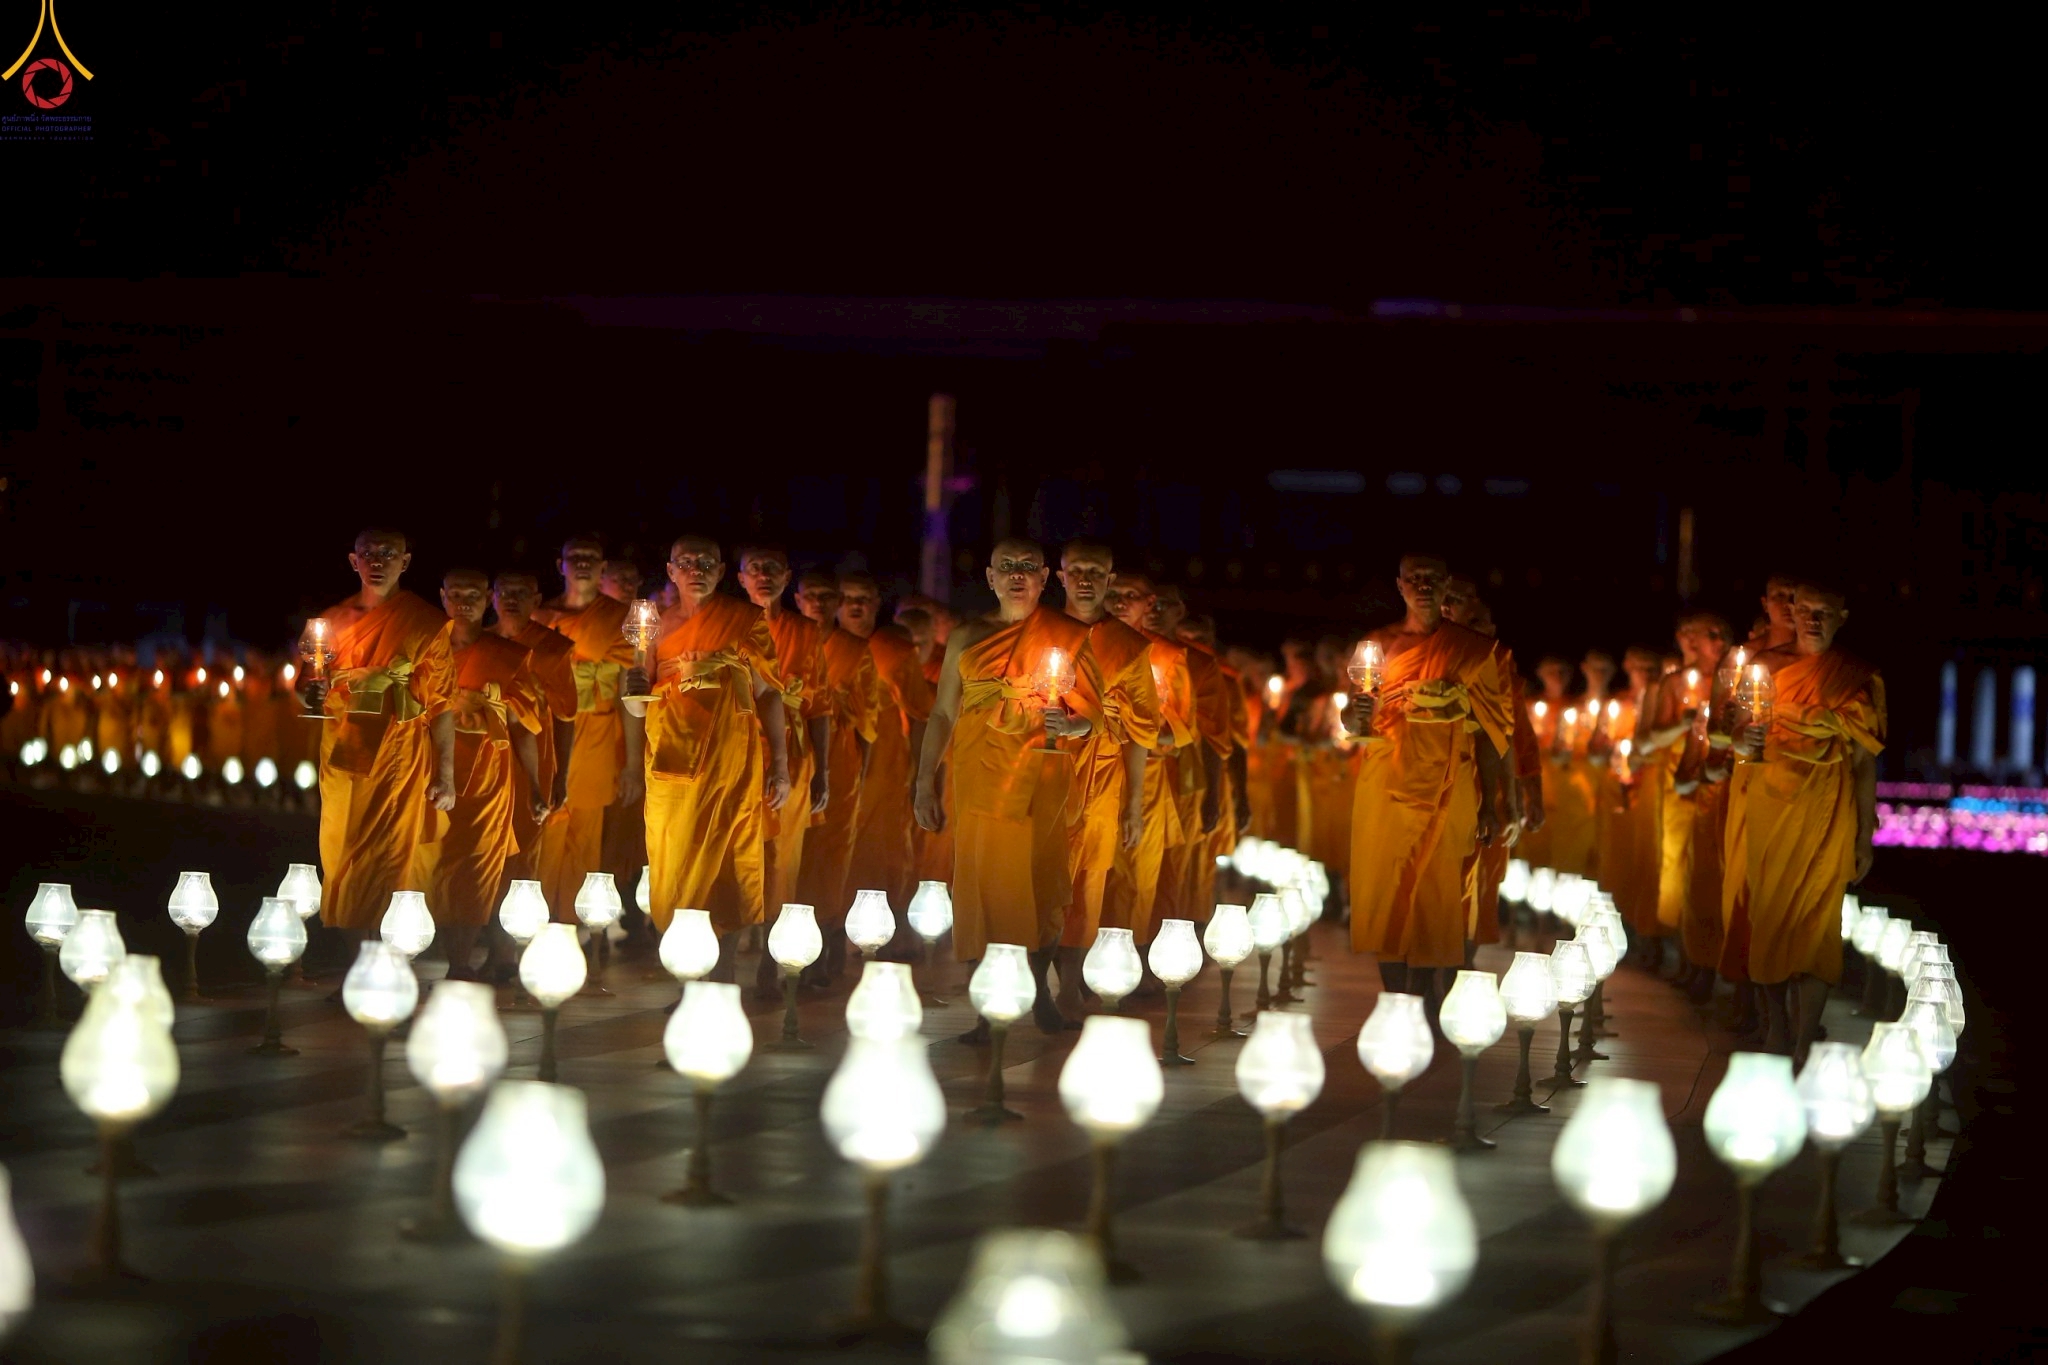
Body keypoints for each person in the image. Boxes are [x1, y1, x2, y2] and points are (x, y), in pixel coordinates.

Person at [915, 539, 1099, 1035]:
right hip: (978, 778)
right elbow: (943, 713)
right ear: (991, 578)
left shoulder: (1070, 635)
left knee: (1040, 884)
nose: (1017, 576)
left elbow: (1094, 712)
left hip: (1041, 775)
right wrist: (923, 783)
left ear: (1043, 579)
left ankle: (1041, 996)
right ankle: (986, 1009)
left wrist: (1074, 725)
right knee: (983, 888)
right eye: (1006, 568)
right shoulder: (967, 635)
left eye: (1027, 567)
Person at [1341, 555, 1512, 1013]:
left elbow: (1495, 735)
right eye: (1413, 579)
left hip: (1448, 785)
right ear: (1399, 586)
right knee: (1385, 892)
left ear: (1445, 586)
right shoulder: (1376, 646)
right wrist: (1352, 716)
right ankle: (1396, 1001)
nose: (1422, 587)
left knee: (1435, 895)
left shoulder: (1471, 649)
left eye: (1432, 580)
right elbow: (1354, 717)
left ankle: (1423, 998)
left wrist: (1493, 804)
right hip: (1385, 783)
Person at [622, 536, 792, 977]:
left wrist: (781, 765)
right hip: (670, 758)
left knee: (729, 854)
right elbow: (639, 701)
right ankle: (685, 974)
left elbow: (769, 693)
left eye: (706, 563)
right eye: (686, 562)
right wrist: (633, 693)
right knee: (673, 858)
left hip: (729, 759)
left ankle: (725, 972)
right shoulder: (651, 624)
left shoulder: (743, 619)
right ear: (671, 571)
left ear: (720, 572)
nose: (696, 569)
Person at [1729, 582, 1881, 1066]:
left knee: (1819, 922)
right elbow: (1738, 735)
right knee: (1769, 915)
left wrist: (1864, 835)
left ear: (1843, 616)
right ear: (1791, 613)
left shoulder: (1857, 677)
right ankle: (1776, 1028)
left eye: (1825, 612)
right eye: (1806, 610)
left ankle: (1800, 1041)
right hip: (1771, 802)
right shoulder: (1764, 668)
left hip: (1827, 807)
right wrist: (1740, 742)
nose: (1813, 620)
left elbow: (1863, 761)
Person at [297, 529, 457, 947]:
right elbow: (309, 682)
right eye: (369, 554)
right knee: (341, 849)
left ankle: (381, 954)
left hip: (397, 754)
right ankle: (355, 958)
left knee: (385, 852)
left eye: (388, 554)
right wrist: (310, 690)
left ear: (405, 562)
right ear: (354, 562)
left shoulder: (425, 623)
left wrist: (446, 773)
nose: (378, 561)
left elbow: (441, 703)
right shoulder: (330, 621)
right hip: (342, 750)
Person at [414, 569, 545, 978]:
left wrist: (537, 785)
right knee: (432, 861)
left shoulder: (505, 655)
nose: (465, 602)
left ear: (487, 598)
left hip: (488, 774)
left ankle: (459, 963)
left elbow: (523, 728)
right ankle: (425, 951)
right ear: (442, 597)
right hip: (430, 766)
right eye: (456, 594)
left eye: (474, 594)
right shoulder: (427, 652)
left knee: (476, 867)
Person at [1054, 541, 1159, 1020]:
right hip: (1042, 768)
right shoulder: (1040, 632)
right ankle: (1035, 981)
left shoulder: (1130, 647)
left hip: (1101, 775)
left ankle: (1070, 987)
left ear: (1109, 578)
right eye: (1077, 571)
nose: (1086, 580)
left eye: (1096, 571)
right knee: (1038, 876)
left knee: (1088, 882)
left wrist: (1134, 803)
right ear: (1060, 576)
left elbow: (1141, 731)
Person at [735, 546, 831, 992]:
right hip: (734, 749)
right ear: (739, 578)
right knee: (737, 849)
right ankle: (727, 954)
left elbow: (819, 706)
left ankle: (773, 960)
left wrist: (824, 771)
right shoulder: (729, 625)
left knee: (783, 858)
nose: (764, 576)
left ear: (788, 576)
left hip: (792, 752)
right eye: (755, 568)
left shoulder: (806, 632)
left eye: (773, 568)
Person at [532, 537, 642, 922]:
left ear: (602, 566)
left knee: (585, 833)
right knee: (545, 828)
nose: (582, 564)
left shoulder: (620, 618)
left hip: (597, 735)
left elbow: (631, 693)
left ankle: (570, 924)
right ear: (560, 565)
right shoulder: (541, 618)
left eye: (590, 558)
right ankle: (532, 922)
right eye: (574, 557)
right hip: (549, 733)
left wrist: (631, 764)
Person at [1098, 568, 1192, 951]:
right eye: (1114, 593)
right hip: (1089, 770)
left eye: (1131, 595)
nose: (1121, 602)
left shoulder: (1167, 657)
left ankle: (1125, 964)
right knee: (1087, 875)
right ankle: (1074, 966)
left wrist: (1135, 724)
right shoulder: (1082, 642)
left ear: (1149, 603)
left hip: (1147, 781)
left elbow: (1182, 728)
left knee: (1134, 878)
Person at [793, 569, 879, 979]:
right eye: (812, 594)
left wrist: (861, 768)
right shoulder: (786, 638)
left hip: (840, 757)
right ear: (798, 599)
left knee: (831, 853)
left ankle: (829, 939)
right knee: (794, 852)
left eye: (830, 596)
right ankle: (791, 944)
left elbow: (868, 717)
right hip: (793, 751)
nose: (820, 603)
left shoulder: (854, 649)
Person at [840, 572, 934, 938]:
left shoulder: (892, 649)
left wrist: (924, 776)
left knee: (883, 850)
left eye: (864, 598)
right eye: (848, 598)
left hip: (884, 768)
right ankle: (831, 937)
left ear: (878, 605)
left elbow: (922, 712)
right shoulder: (822, 645)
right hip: (833, 763)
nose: (857, 606)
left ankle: (887, 933)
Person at [489, 572, 578, 884]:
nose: (512, 599)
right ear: (492, 598)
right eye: (505, 591)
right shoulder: (480, 642)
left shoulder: (552, 649)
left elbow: (566, 717)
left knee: (526, 846)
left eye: (521, 592)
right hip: (483, 756)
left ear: (537, 601)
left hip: (533, 758)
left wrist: (561, 775)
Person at [1152, 582, 1229, 923]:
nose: (1154, 611)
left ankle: (1157, 952)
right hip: (1122, 775)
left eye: (1163, 604)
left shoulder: (1200, 665)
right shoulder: (1118, 651)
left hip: (1180, 778)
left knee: (1171, 869)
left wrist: (1213, 794)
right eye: (1149, 603)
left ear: (1179, 611)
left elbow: (1215, 738)